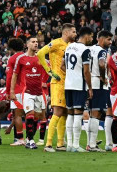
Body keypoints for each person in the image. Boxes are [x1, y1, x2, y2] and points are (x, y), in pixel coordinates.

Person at [37, 23, 76, 152]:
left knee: (64, 112)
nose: (75, 34)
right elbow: (40, 53)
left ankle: (60, 144)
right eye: (73, 32)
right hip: (57, 82)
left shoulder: (71, 46)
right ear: (66, 33)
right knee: (58, 112)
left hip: (68, 82)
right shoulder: (56, 43)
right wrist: (49, 71)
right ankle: (48, 144)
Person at [10, 36, 45, 150]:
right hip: (27, 92)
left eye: (37, 42)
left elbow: (48, 70)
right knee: (29, 114)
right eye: (33, 42)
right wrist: (12, 91)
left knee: (37, 117)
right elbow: (14, 75)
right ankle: (30, 141)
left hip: (39, 92)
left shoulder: (41, 57)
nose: (36, 44)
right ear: (27, 44)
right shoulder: (21, 58)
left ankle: (30, 138)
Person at [63, 26, 93, 153]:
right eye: (91, 36)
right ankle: (76, 145)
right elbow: (86, 71)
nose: (92, 39)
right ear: (86, 36)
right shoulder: (85, 50)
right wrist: (90, 87)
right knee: (78, 114)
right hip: (78, 85)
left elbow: (62, 66)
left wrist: (71, 73)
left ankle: (69, 144)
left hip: (68, 84)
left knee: (70, 113)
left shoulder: (68, 47)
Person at [87, 29, 113, 152]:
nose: (110, 42)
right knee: (97, 113)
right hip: (98, 84)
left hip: (90, 83)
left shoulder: (90, 49)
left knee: (92, 113)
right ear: (101, 39)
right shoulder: (102, 51)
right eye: (108, 39)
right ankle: (92, 145)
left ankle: (90, 143)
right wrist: (103, 77)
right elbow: (102, 64)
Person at [5, 37, 26, 146]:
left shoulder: (13, 59)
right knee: (30, 114)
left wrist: (8, 92)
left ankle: (21, 139)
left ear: (11, 48)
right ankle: (31, 138)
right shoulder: (27, 56)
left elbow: (9, 77)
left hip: (17, 90)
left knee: (17, 115)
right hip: (29, 90)